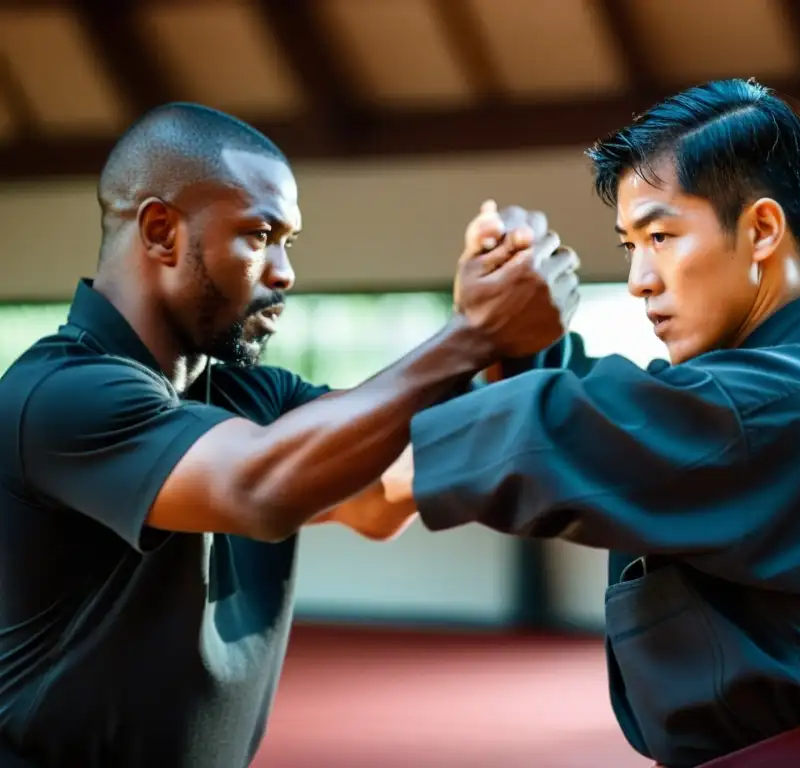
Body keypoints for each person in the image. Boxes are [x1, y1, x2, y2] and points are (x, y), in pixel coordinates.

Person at [379, 80, 800, 767]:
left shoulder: (777, 397)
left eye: (661, 237)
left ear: (762, 230)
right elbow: (624, 416)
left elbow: (575, 423)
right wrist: (518, 335)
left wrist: (323, 467)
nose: (638, 279)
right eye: (630, 244)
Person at [0, 102, 579, 768]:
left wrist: (506, 342)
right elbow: (257, 489)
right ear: (161, 230)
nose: (285, 271)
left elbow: (383, 494)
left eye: (288, 242)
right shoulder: (58, 393)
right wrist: (470, 333)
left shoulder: (254, 396)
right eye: (260, 234)